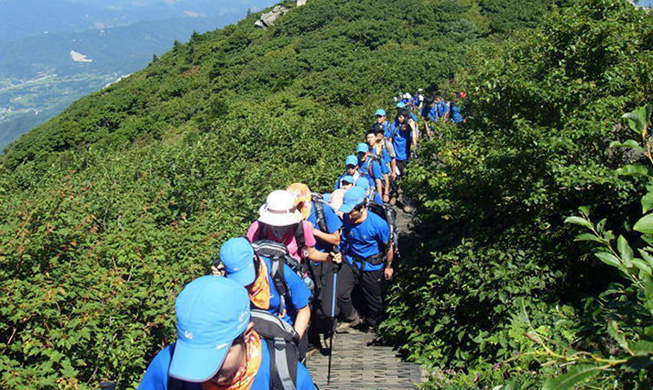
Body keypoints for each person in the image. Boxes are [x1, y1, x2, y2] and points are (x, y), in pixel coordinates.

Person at [137, 276, 316, 390]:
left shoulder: (288, 378)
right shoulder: (166, 368)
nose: (207, 371)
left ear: (246, 334)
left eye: (217, 354)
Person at [286, 183, 344, 350]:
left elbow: (336, 239)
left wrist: (314, 232)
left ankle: (328, 329)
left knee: (324, 307)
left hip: (323, 262)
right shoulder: (289, 215)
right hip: (303, 265)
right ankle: (312, 341)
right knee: (307, 304)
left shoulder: (322, 211)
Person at [219, 237, 311, 339]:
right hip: (251, 334)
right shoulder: (225, 280)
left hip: (284, 333)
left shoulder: (280, 272)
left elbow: (303, 310)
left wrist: (294, 341)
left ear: (255, 258)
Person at [337, 187, 394, 329]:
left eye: (352, 212)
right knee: (342, 291)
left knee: (372, 297)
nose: (349, 216)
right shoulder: (346, 218)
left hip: (371, 265)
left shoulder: (378, 224)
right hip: (351, 260)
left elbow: (388, 246)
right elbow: (344, 238)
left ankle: (373, 323)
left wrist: (388, 267)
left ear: (362, 207)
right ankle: (353, 317)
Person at [246, 190, 333, 264]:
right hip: (264, 279)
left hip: (294, 276)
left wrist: (329, 257)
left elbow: (310, 253)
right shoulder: (257, 228)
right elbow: (248, 255)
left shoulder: (302, 227)